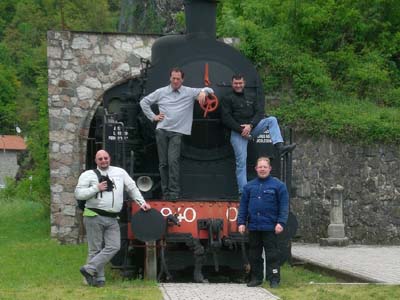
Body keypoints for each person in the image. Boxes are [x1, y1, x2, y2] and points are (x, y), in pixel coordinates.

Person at [75, 149, 151, 287]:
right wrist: (96, 188)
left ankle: (89, 269)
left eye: (106, 158)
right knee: (95, 249)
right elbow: (79, 194)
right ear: (96, 161)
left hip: (112, 218)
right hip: (94, 215)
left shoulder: (119, 172)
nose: (104, 161)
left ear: (109, 158)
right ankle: (99, 280)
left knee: (114, 246)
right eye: (100, 159)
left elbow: (132, 188)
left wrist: (142, 203)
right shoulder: (88, 175)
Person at [140, 67, 213, 200]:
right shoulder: (161, 92)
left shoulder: (189, 92)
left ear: (182, 79)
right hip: (161, 130)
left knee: (173, 161)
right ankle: (165, 192)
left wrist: (203, 91)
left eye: (178, 79)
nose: (175, 81)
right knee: (163, 163)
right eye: (173, 78)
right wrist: (153, 117)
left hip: (177, 132)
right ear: (170, 78)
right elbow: (144, 102)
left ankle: (173, 193)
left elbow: (210, 90)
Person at [221, 74, 296, 195]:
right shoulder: (227, 98)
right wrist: (241, 130)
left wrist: (250, 126)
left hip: (252, 128)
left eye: (240, 83)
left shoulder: (251, 96)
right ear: (232, 83)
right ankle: (243, 192)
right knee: (241, 162)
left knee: (271, 120)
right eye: (236, 83)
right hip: (237, 132)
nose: (238, 85)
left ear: (244, 83)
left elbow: (259, 112)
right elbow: (226, 118)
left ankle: (279, 146)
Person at [238, 156, 289, 288]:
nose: (262, 169)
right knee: (254, 254)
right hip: (254, 226)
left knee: (272, 255)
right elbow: (243, 206)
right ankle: (256, 278)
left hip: (271, 227)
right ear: (256, 169)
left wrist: (281, 223)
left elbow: (284, 206)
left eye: (265, 167)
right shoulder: (249, 187)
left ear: (270, 168)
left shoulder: (279, 186)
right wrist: (241, 223)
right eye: (260, 167)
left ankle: (274, 279)